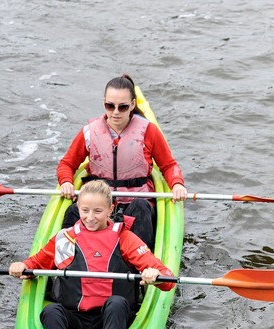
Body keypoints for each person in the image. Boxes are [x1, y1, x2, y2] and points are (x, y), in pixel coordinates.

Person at [9, 181, 176, 329]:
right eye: (85, 210)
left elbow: (167, 278)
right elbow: (36, 263)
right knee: (51, 311)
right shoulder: (65, 237)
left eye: (98, 211)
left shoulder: (125, 238)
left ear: (110, 209)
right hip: (75, 318)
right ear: (78, 208)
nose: (90, 217)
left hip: (111, 319)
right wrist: (22, 266)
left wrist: (155, 275)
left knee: (116, 304)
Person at [58, 74, 188, 250]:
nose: (116, 112)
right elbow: (66, 164)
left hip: (136, 202)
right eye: (110, 106)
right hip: (99, 203)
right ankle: (65, 260)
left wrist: (177, 184)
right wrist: (66, 182)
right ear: (104, 103)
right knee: (73, 211)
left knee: (141, 208)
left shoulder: (149, 132)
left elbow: (169, 165)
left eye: (123, 107)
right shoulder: (89, 132)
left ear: (132, 105)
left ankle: (140, 261)